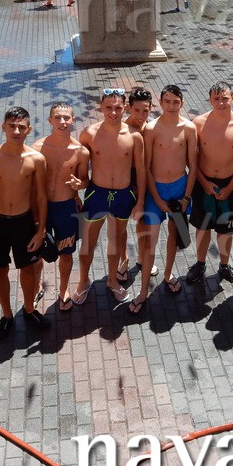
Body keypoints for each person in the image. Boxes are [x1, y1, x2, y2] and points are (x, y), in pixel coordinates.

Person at [75, 89, 146, 305]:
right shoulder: (89, 134)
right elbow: (78, 168)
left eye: (117, 108)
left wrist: (140, 201)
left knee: (115, 242)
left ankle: (112, 280)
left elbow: (141, 171)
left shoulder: (134, 136)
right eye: (108, 107)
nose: (113, 112)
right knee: (88, 243)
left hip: (123, 195)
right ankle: (83, 281)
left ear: (125, 108)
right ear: (101, 107)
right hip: (97, 194)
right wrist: (75, 194)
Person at [130, 84, 198, 313]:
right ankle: (143, 291)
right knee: (150, 241)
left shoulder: (189, 128)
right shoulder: (151, 129)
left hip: (179, 188)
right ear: (160, 103)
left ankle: (168, 274)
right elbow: (146, 167)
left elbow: (193, 166)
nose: (171, 106)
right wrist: (157, 199)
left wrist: (186, 197)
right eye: (167, 101)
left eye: (175, 102)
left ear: (182, 103)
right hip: (156, 190)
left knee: (174, 235)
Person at [0, 106, 49, 339]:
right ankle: (7, 315)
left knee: (28, 269)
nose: (16, 131)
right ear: (3, 127)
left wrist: (41, 230)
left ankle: (29, 310)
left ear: (29, 129)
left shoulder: (36, 159)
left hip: (23, 221)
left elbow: (41, 196)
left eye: (21, 127)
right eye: (12, 126)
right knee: (0, 270)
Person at [185, 81, 233, 285]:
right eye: (216, 99)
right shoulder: (198, 123)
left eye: (225, 98)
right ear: (210, 100)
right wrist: (204, 182)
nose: (221, 103)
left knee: (226, 229)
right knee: (202, 227)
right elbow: (191, 159)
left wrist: (230, 187)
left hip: (229, 184)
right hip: (203, 184)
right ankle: (200, 263)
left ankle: (224, 265)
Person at [31, 102, 89, 312]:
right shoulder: (37, 148)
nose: (62, 122)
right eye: (57, 117)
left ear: (73, 120)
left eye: (66, 118)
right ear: (50, 120)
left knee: (66, 253)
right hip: (42, 206)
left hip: (66, 208)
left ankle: (63, 289)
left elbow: (85, 180)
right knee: (37, 251)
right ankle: (36, 286)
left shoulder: (81, 152)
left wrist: (80, 185)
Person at [117, 88, 154, 282]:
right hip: (126, 180)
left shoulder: (151, 127)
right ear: (128, 108)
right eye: (137, 110)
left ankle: (141, 257)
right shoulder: (123, 129)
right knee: (121, 225)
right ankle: (123, 259)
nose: (141, 115)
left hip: (147, 178)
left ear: (151, 108)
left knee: (143, 221)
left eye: (145, 110)